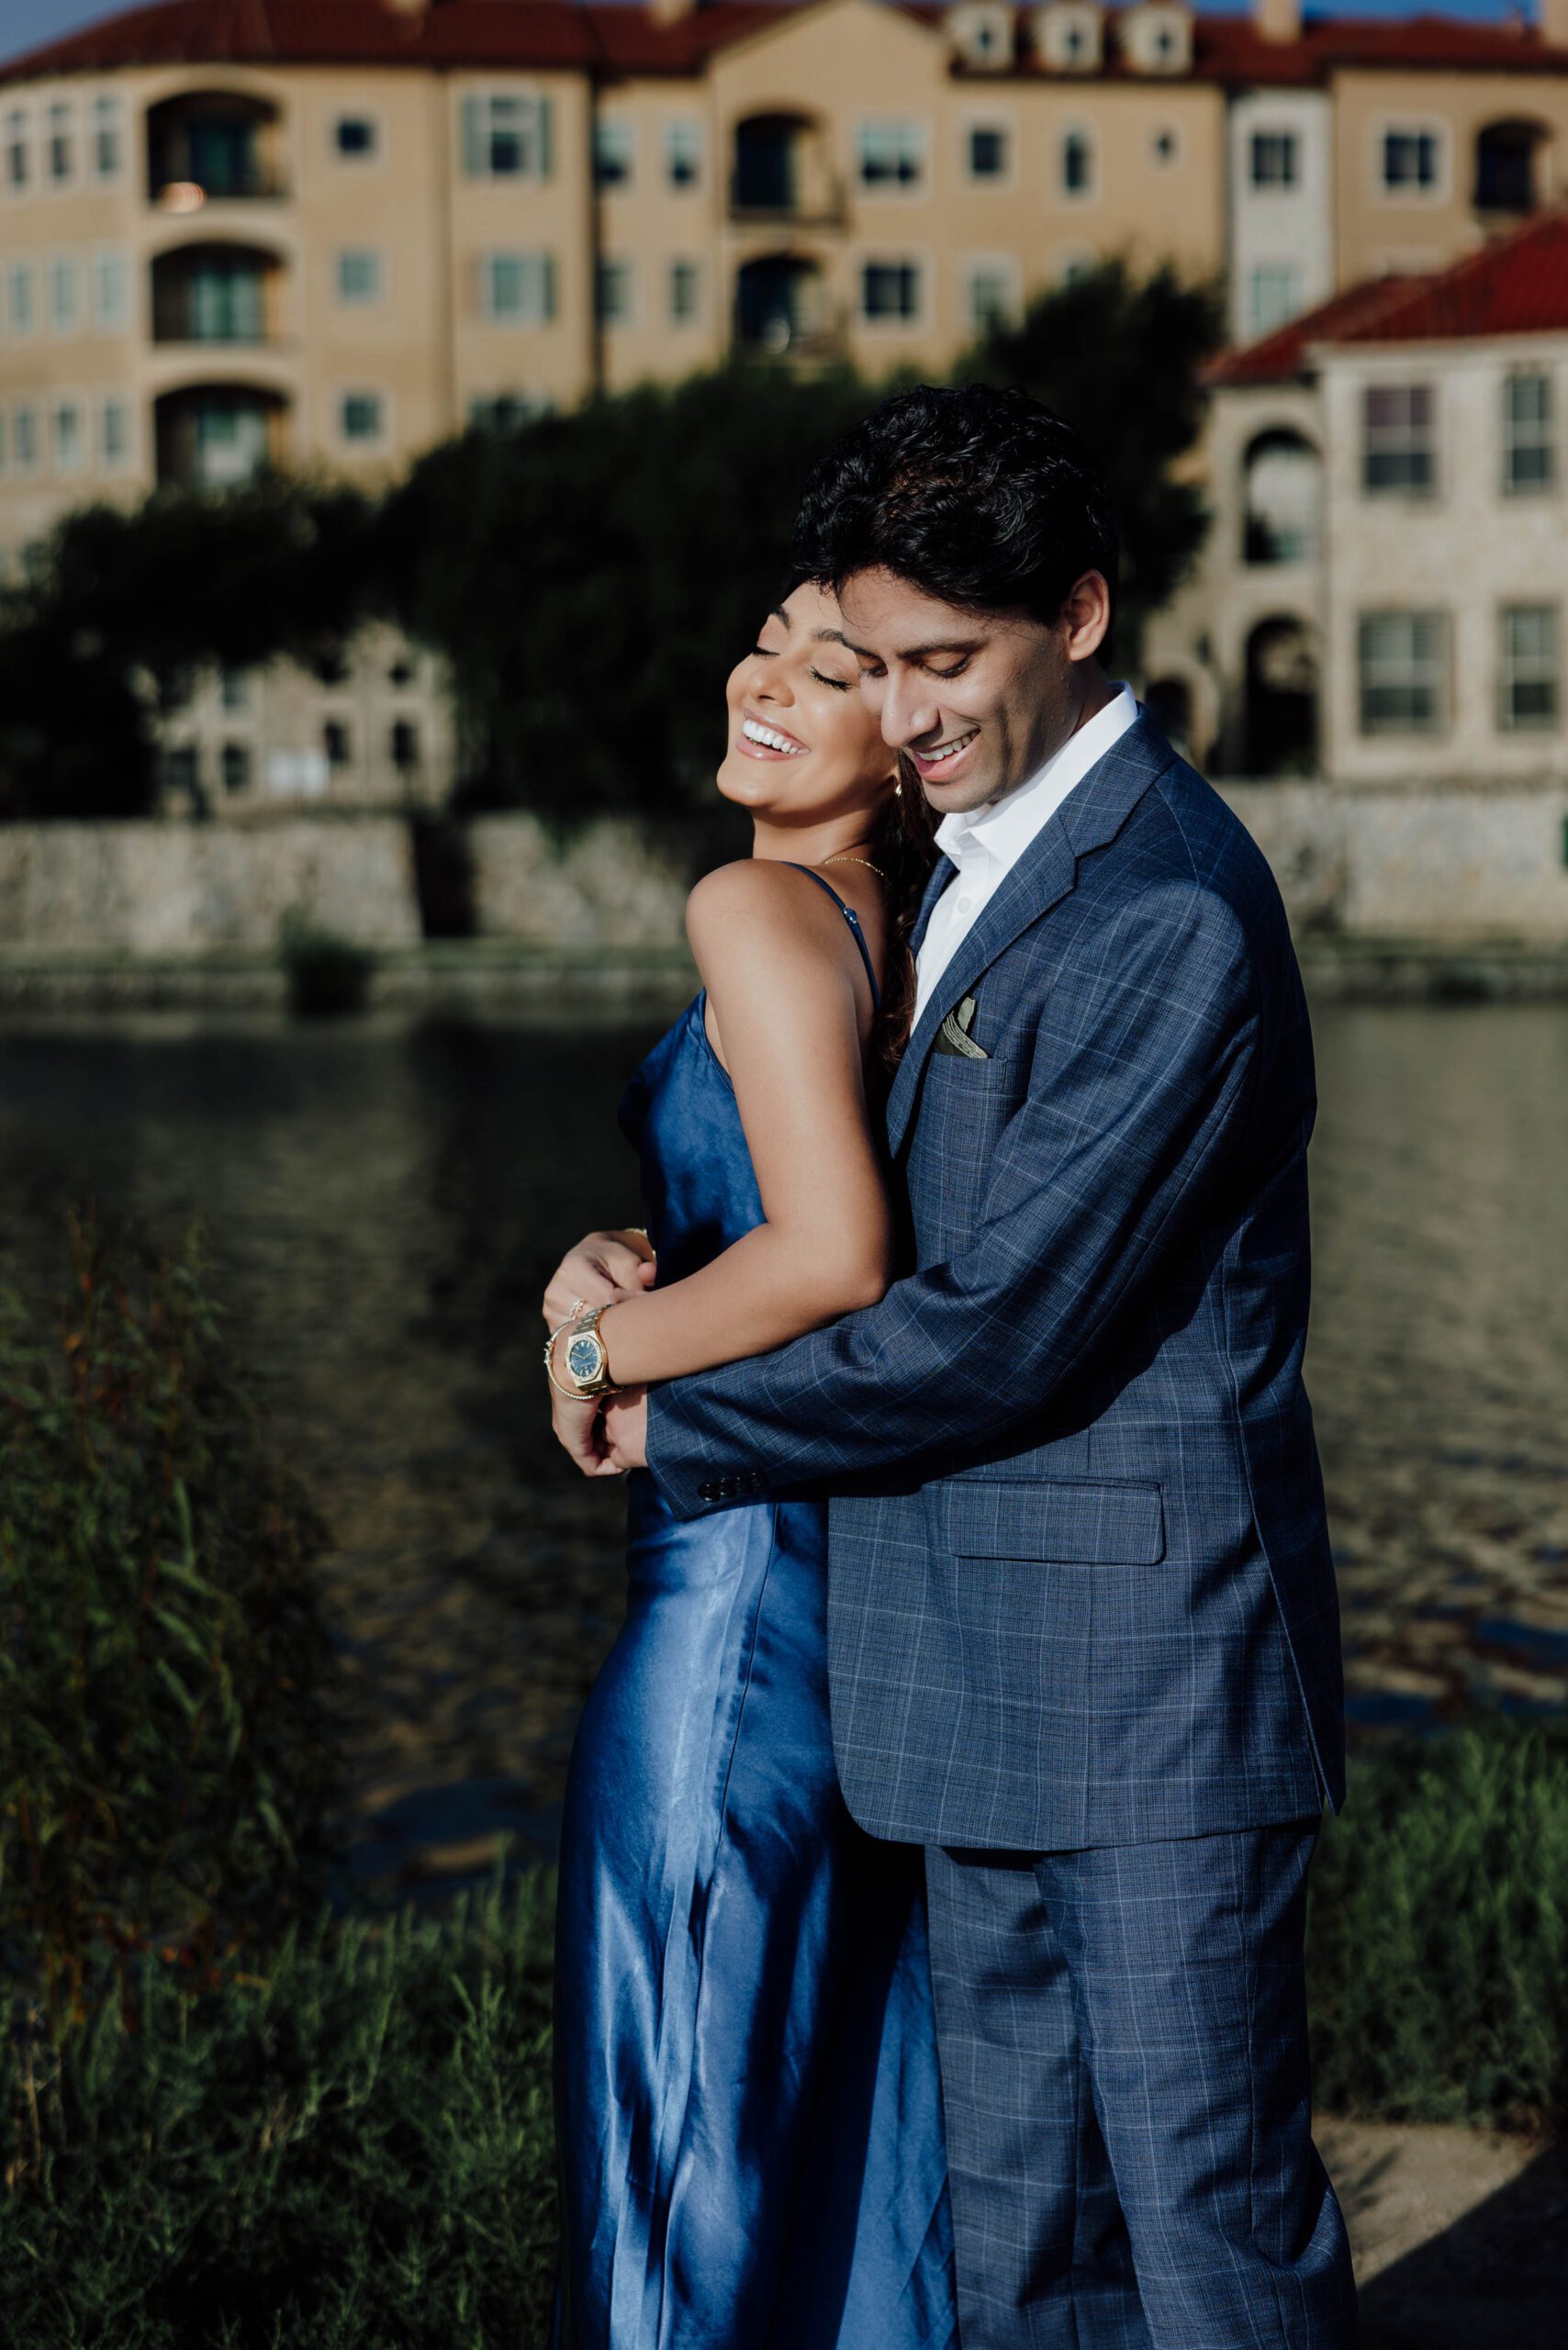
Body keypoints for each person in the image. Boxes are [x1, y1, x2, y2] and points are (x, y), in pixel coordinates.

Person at [568, 385, 1358, 2348]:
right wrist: (635, 1263)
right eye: (880, 661)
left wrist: (666, 1403)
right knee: (1019, 2263)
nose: (907, 713)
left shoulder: (1165, 904)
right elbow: (830, 1206)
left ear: (1080, 611)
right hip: (955, 1681)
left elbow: (998, 1323)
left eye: (945, 662)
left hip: (1150, 1694)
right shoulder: (955, 870)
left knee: (1209, 2242)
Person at [543, 581, 958, 2349]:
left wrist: (590, 1352)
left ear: (905, 743)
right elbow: (774, 1214)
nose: (768, 684)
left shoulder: (753, 904)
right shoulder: (893, 928)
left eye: (834, 673)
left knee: (670, 2171)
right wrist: (634, 1251)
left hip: (727, 1627)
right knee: (842, 2166)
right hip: (854, 1628)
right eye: (773, 644)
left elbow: (836, 1249)